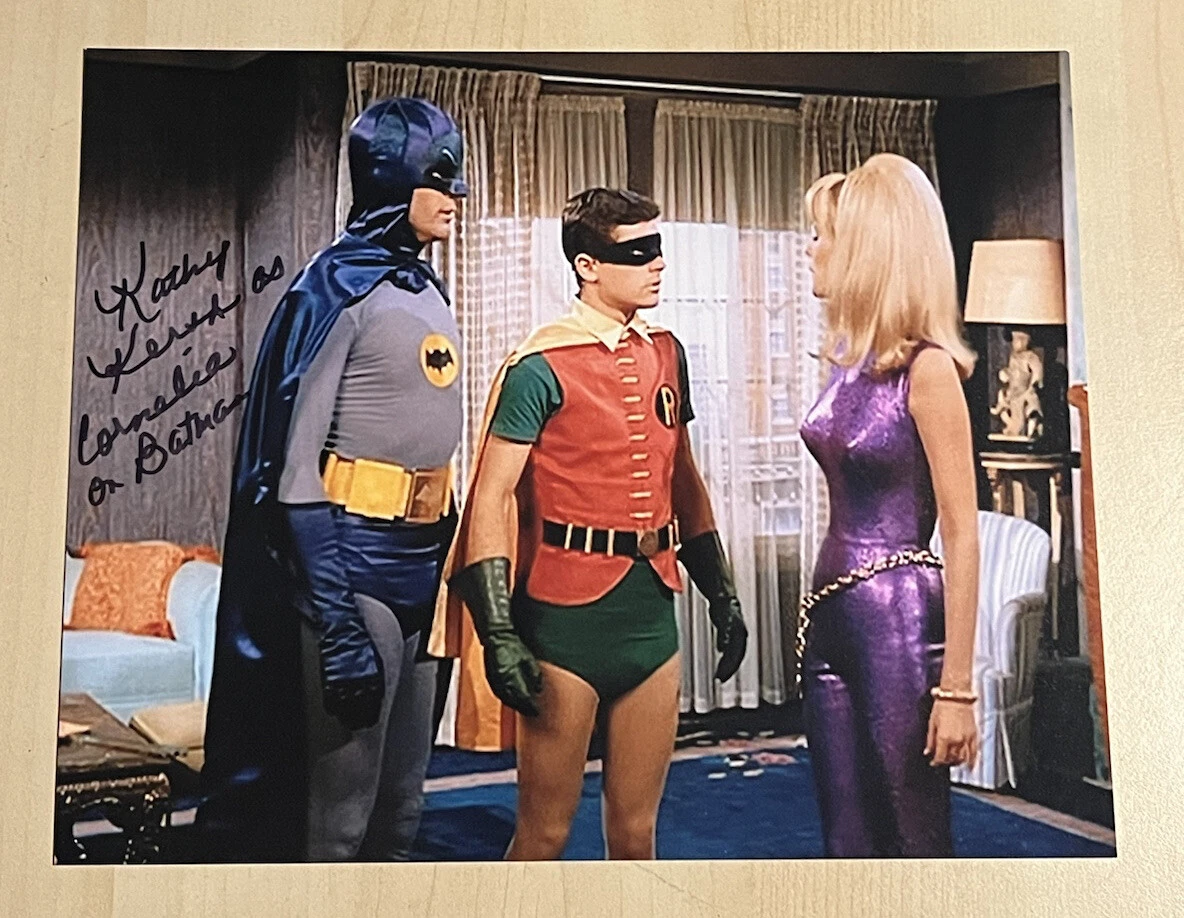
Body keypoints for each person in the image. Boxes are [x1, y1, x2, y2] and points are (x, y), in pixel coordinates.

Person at [430, 187, 748, 860]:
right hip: (563, 624)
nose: (657, 264)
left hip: (651, 617)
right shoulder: (539, 365)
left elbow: (683, 479)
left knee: (636, 834)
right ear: (587, 266)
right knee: (544, 833)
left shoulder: (668, 352)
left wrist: (721, 593)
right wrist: (499, 633)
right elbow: (491, 498)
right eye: (638, 252)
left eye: (658, 248)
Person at [196, 97, 468, 863]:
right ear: (393, 181)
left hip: (424, 564)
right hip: (354, 567)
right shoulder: (336, 288)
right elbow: (292, 471)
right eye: (439, 179)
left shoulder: (427, 289)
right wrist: (337, 617)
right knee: (342, 816)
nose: (455, 197)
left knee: (404, 806)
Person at [797, 152, 980, 857]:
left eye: (821, 235)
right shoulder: (847, 360)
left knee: (912, 838)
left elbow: (962, 532)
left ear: (867, 249)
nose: (810, 249)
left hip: (897, 621)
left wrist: (956, 689)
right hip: (832, 616)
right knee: (845, 843)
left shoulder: (928, 370)